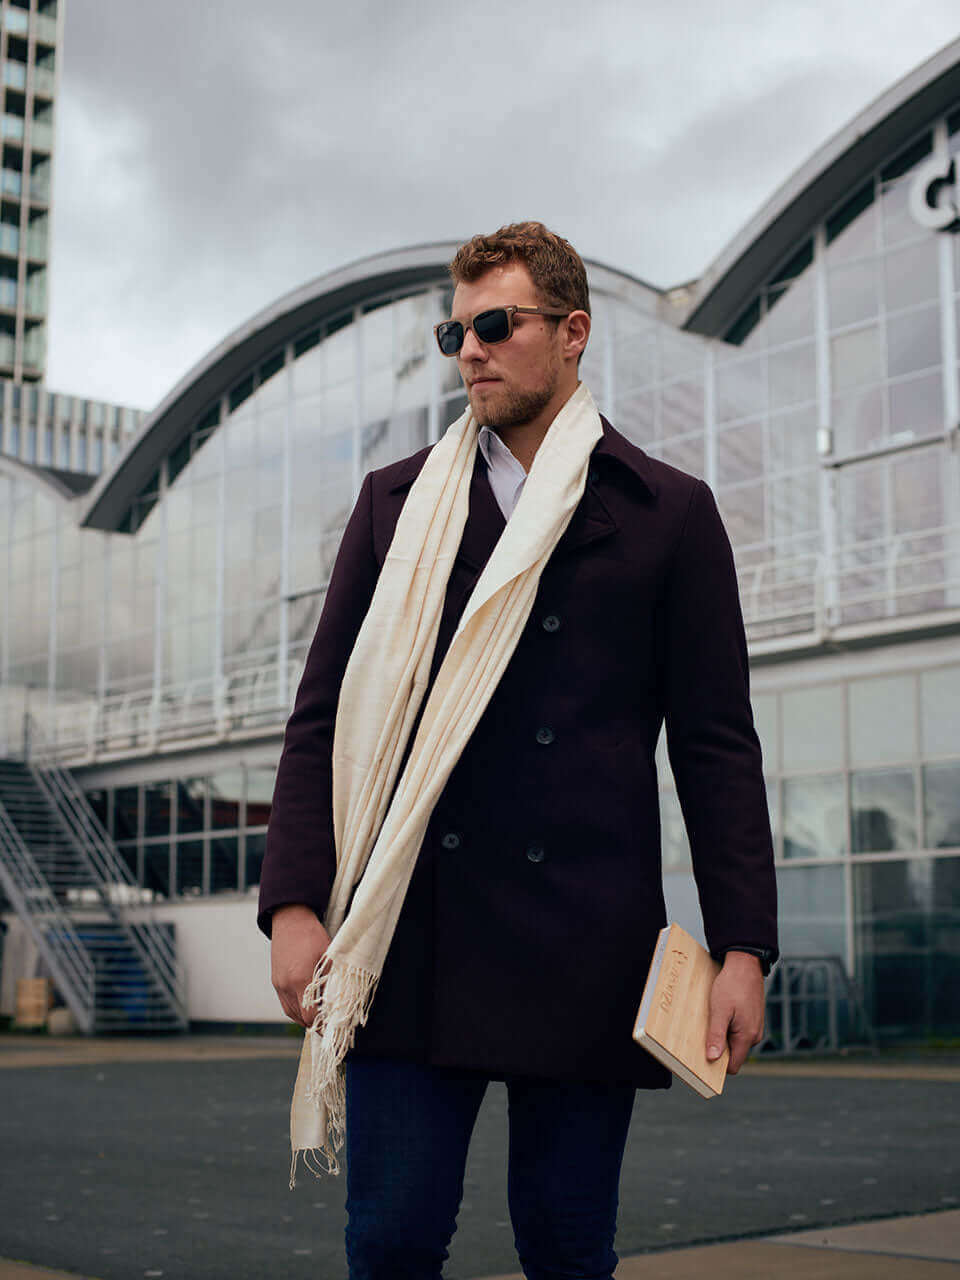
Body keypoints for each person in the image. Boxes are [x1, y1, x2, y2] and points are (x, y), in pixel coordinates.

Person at [258, 221, 778, 1280]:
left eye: (497, 324)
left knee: (568, 1245)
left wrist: (744, 944)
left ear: (573, 331)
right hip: (408, 936)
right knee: (391, 1239)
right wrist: (295, 899)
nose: (471, 349)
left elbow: (717, 745)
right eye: (457, 329)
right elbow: (323, 715)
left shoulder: (667, 513)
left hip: (584, 938)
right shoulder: (395, 505)